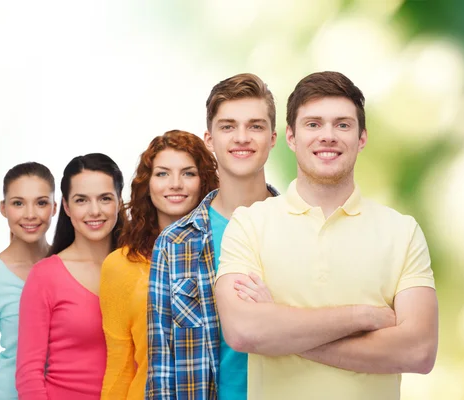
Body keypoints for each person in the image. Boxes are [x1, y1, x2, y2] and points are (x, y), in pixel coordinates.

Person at [215, 71, 438, 400]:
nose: (328, 136)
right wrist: (362, 317)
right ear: (291, 137)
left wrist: (281, 332)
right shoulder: (249, 225)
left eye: (343, 125)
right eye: (313, 124)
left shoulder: (402, 231)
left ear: (362, 138)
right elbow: (244, 332)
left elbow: (419, 351)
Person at [146, 73, 280, 399]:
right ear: (209, 139)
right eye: (228, 126)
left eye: (256, 126)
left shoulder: (304, 229)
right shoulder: (174, 243)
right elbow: (161, 368)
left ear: (274, 138)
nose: (242, 137)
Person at [100, 130, 219, 400]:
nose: (175, 184)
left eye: (188, 173)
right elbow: (119, 365)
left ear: (204, 182)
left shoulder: (224, 249)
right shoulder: (119, 265)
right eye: (162, 173)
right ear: (147, 184)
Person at [16, 153, 126, 400]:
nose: (94, 211)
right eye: (81, 200)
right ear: (66, 206)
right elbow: (28, 375)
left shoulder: (139, 268)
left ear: (119, 201)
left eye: (105, 198)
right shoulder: (45, 276)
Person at [0, 162, 57, 400]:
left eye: (41, 202)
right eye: (18, 203)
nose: (30, 214)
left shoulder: (67, 266)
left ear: (55, 207)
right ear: (3, 208)